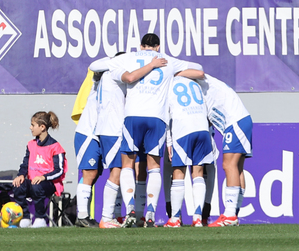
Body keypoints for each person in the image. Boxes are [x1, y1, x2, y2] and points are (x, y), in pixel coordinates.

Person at [111, 33, 204, 228]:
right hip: (157, 118)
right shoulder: (167, 60)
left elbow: (98, 65)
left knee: (128, 164)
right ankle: (151, 213)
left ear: (141, 45)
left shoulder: (130, 56)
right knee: (153, 166)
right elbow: (199, 71)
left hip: (133, 116)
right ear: (158, 46)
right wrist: (174, 74)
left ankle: (131, 210)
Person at [198, 74, 253, 227]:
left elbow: (197, 72)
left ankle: (229, 215)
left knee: (229, 165)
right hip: (240, 120)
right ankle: (233, 213)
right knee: (237, 167)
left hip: (235, 122)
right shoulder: (204, 89)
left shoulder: (201, 79)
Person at [164, 76, 216, 228]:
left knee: (178, 173)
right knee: (198, 173)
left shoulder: (168, 84)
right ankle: (198, 218)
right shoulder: (194, 84)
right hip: (202, 128)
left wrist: (169, 141)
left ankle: (174, 219)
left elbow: (167, 114)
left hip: (183, 129)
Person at [87, 53, 129, 229]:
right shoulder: (114, 72)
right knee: (117, 172)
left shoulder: (106, 74)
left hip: (108, 129)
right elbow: (94, 65)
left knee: (119, 172)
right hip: (113, 130)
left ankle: (114, 216)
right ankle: (106, 217)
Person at [12, 111, 66, 228]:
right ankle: (26, 217)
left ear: (42, 127)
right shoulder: (31, 145)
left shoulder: (56, 147)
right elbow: (25, 163)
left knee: (37, 186)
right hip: (33, 182)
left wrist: (43, 177)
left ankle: (40, 218)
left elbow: (60, 170)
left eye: (32, 125)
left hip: (49, 184)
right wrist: (21, 175)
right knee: (18, 185)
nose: (30, 127)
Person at [72, 70, 101, 228]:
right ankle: (82, 216)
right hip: (88, 134)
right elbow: (94, 67)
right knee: (89, 173)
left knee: (95, 175)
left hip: (101, 135)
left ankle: (86, 215)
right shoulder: (99, 86)